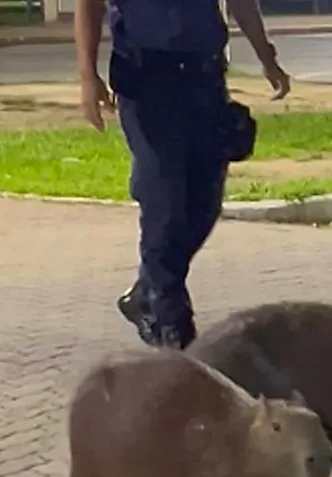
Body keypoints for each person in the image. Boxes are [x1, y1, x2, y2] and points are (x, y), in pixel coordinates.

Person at [74, 0, 291, 349]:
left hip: (203, 78)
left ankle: (149, 288)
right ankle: (172, 326)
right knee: (164, 202)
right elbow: (89, 5)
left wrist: (265, 56)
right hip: (146, 80)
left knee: (205, 202)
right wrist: (88, 75)